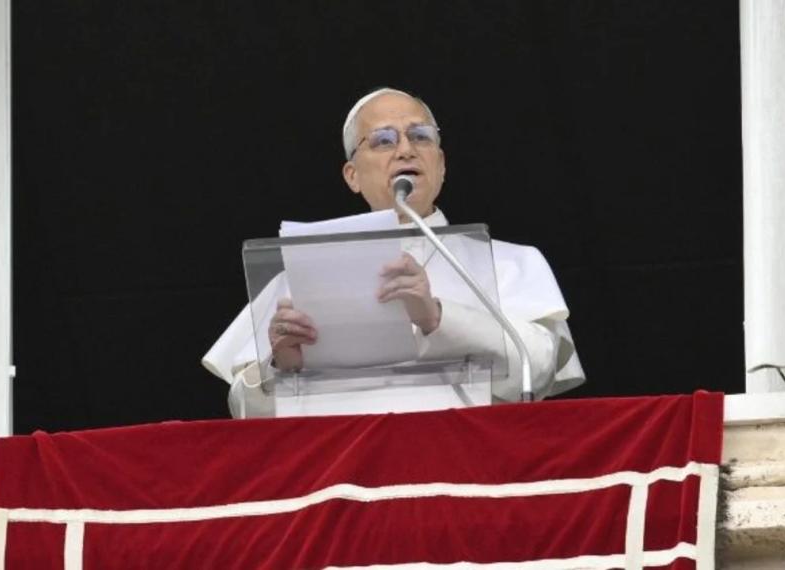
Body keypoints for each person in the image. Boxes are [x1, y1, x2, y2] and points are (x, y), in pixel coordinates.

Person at [202, 87, 584, 416]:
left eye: (420, 136)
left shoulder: (511, 262)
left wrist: (437, 318)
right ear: (352, 175)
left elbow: (540, 372)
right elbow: (245, 411)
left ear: (442, 163)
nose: (405, 149)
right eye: (383, 140)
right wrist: (283, 364)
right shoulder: (302, 278)